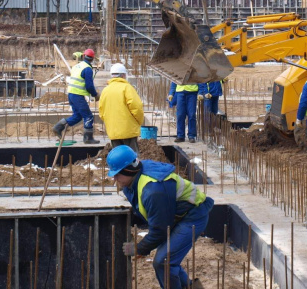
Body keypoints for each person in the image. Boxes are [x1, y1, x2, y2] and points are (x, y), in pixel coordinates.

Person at [107, 145, 213, 289]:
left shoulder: (153, 190)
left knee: (164, 261)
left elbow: (160, 230)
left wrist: (139, 248)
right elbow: (148, 212)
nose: (114, 178)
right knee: (167, 259)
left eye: (117, 174)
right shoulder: (132, 182)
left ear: (128, 169)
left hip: (193, 215)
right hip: (176, 214)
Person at [53, 48, 100, 144]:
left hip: (71, 94)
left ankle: (58, 127)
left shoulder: (77, 66)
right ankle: (88, 138)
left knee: (78, 116)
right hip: (78, 95)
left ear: (83, 56)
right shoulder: (88, 69)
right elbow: (89, 86)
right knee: (88, 116)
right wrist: (95, 95)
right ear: (92, 59)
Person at [98, 63, 144, 153]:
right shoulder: (127, 88)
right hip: (129, 130)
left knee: (118, 157)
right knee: (132, 157)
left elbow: (101, 112)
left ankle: (122, 168)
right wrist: (139, 121)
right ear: (123, 75)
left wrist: (110, 123)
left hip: (113, 132)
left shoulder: (105, 90)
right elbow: (137, 108)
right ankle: (132, 167)